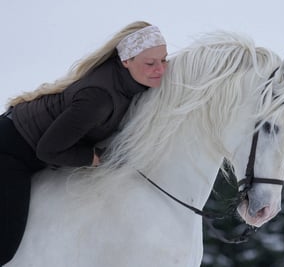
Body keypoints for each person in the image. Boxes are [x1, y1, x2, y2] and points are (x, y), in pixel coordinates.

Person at [0, 21, 168, 264]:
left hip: (22, 140)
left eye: (164, 59)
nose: (161, 70)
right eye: (150, 63)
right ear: (125, 61)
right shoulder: (99, 99)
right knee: (4, 246)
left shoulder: (129, 80)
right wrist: (93, 158)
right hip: (9, 152)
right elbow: (49, 150)